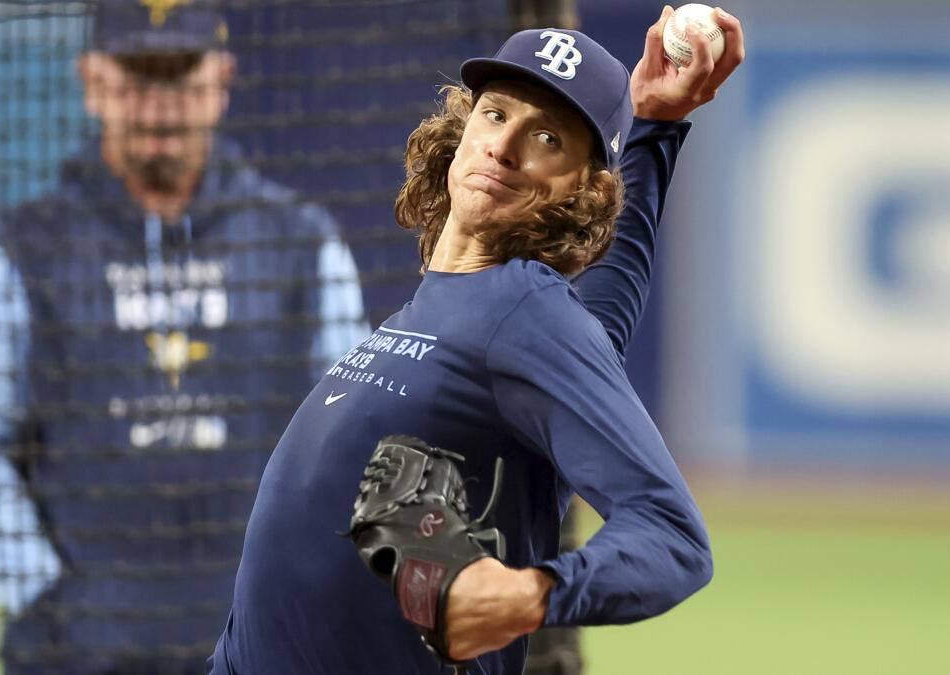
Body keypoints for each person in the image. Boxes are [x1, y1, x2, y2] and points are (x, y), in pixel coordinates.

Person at [209, 6, 744, 674]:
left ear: (585, 189)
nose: (504, 145)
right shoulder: (463, 312)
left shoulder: (525, 310)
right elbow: (604, 322)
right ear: (461, 130)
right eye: (495, 114)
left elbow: (673, 538)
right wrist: (655, 127)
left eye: (547, 137)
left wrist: (531, 592)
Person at [0, 1, 367, 673]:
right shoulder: (19, 252)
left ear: (221, 81)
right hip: (77, 654)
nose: (159, 106)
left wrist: (311, 582)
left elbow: (353, 437)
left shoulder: (303, 245)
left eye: (180, 77)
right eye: (138, 77)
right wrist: (48, 597)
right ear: (91, 82)